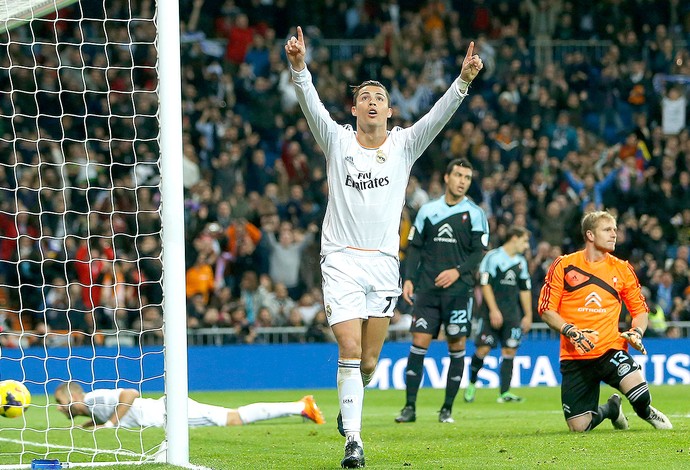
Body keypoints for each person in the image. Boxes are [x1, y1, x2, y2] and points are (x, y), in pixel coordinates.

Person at [285, 26, 484, 468]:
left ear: (390, 111)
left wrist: (463, 81)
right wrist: (299, 67)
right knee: (350, 350)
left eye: (379, 97)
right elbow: (309, 103)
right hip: (340, 258)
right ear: (354, 108)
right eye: (365, 97)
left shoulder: (404, 145)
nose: (372, 101)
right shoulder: (335, 140)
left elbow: (438, 116)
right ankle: (353, 440)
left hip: (382, 266)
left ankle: (349, 404)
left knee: (370, 361)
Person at [537, 210, 672, 432]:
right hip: (574, 356)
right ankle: (611, 409)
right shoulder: (563, 265)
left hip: (610, 349)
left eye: (615, 230)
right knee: (579, 428)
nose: (614, 234)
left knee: (640, 397)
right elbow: (546, 309)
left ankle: (646, 411)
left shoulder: (623, 268)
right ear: (590, 235)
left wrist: (637, 331)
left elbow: (640, 310)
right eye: (607, 230)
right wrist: (570, 331)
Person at [395, 159, 489, 425]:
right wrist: (409, 279)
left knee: (457, 345)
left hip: (459, 291)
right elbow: (414, 247)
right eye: (458, 175)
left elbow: (477, 252)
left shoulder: (474, 213)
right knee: (419, 344)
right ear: (447, 177)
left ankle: (447, 409)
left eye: (467, 177)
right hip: (427, 289)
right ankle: (409, 407)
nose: (462, 181)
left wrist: (457, 272)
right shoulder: (428, 210)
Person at [54, 382, 325, 428]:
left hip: (167, 415)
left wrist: (111, 424)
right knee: (234, 416)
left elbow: (130, 394)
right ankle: (299, 406)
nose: (57, 408)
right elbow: (106, 417)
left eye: (59, 402)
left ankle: (301, 405)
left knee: (235, 418)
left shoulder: (91, 398)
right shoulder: (90, 408)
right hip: (164, 412)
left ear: (73, 398)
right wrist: (92, 426)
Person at [464, 226, 532, 404]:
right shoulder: (492, 257)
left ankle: (504, 392)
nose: (526, 246)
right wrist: (494, 310)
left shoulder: (521, 262)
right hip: (489, 314)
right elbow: (484, 285)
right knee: (483, 349)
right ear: (514, 238)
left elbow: (525, 289)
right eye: (524, 241)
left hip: (512, 315)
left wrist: (528, 315)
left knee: (510, 350)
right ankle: (471, 384)